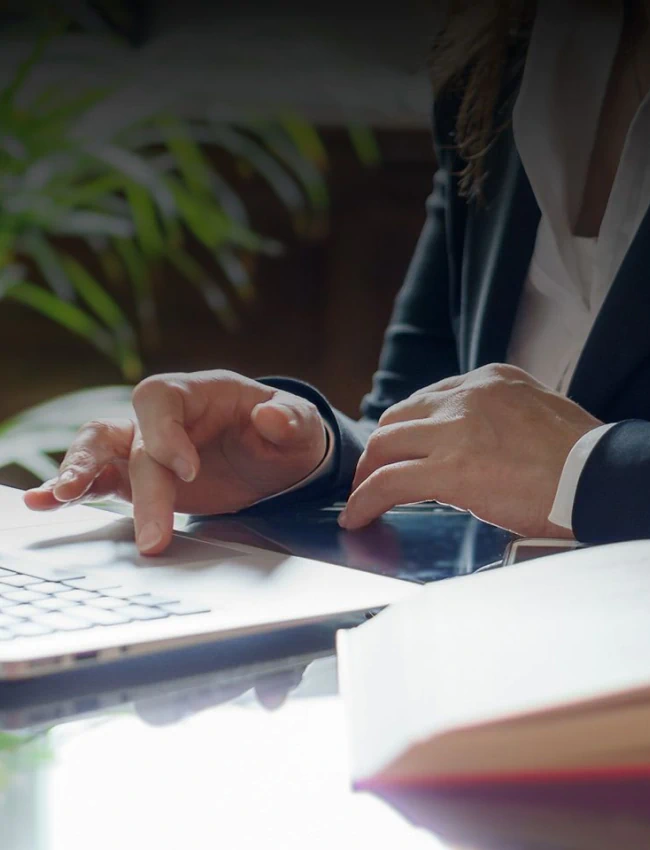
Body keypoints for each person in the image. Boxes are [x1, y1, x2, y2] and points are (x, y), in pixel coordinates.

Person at [24, 0, 650, 554]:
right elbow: (412, 412)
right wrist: (299, 456)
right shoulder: (500, 52)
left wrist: (594, 472)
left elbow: (559, 467)